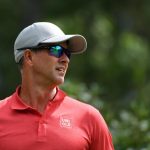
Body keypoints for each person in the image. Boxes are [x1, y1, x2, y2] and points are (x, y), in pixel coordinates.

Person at [0, 22, 114, 150]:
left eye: (67, 53)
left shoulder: (89, 118)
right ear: (29, 57)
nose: (66, 59)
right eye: (57, 50)